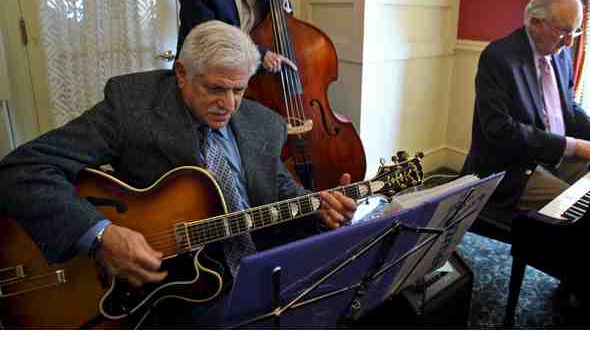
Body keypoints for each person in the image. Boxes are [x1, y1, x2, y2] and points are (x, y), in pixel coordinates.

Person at [0, 21, 356, 327]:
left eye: (239, 89)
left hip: (261, 269)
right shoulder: (131, 107)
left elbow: (276, 187)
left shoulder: (263, 122)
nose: (229, 105)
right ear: (182, 74)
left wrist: (320, 208)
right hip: (166, 290)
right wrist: (100, 235)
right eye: (215, 88)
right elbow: (23, 168)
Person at [462, 0, 590, 210]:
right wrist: (572, 146)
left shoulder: (561, 54)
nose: (569, 42)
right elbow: (499, 129)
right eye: (564, 31)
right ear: (535, 23)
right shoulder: (499, 57)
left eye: (575, 32)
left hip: (554, 154)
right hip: (511, 167)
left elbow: (568, 107)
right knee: (575, 206)